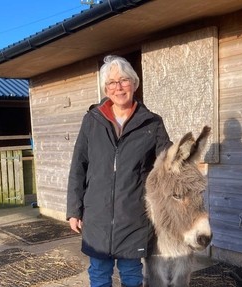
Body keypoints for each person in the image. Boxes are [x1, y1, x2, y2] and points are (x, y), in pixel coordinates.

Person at [66, 55, 171, 287]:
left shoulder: (152, 123)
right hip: (97, 214)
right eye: (112, 82)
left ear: (134, 83)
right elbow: (78, 166)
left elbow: (168, 164)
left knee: (132, 273)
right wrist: (74, 209)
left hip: (134, 213)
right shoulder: (92, 120)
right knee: (99, 272)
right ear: (105, 88)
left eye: (123, 80)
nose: (118, 87)